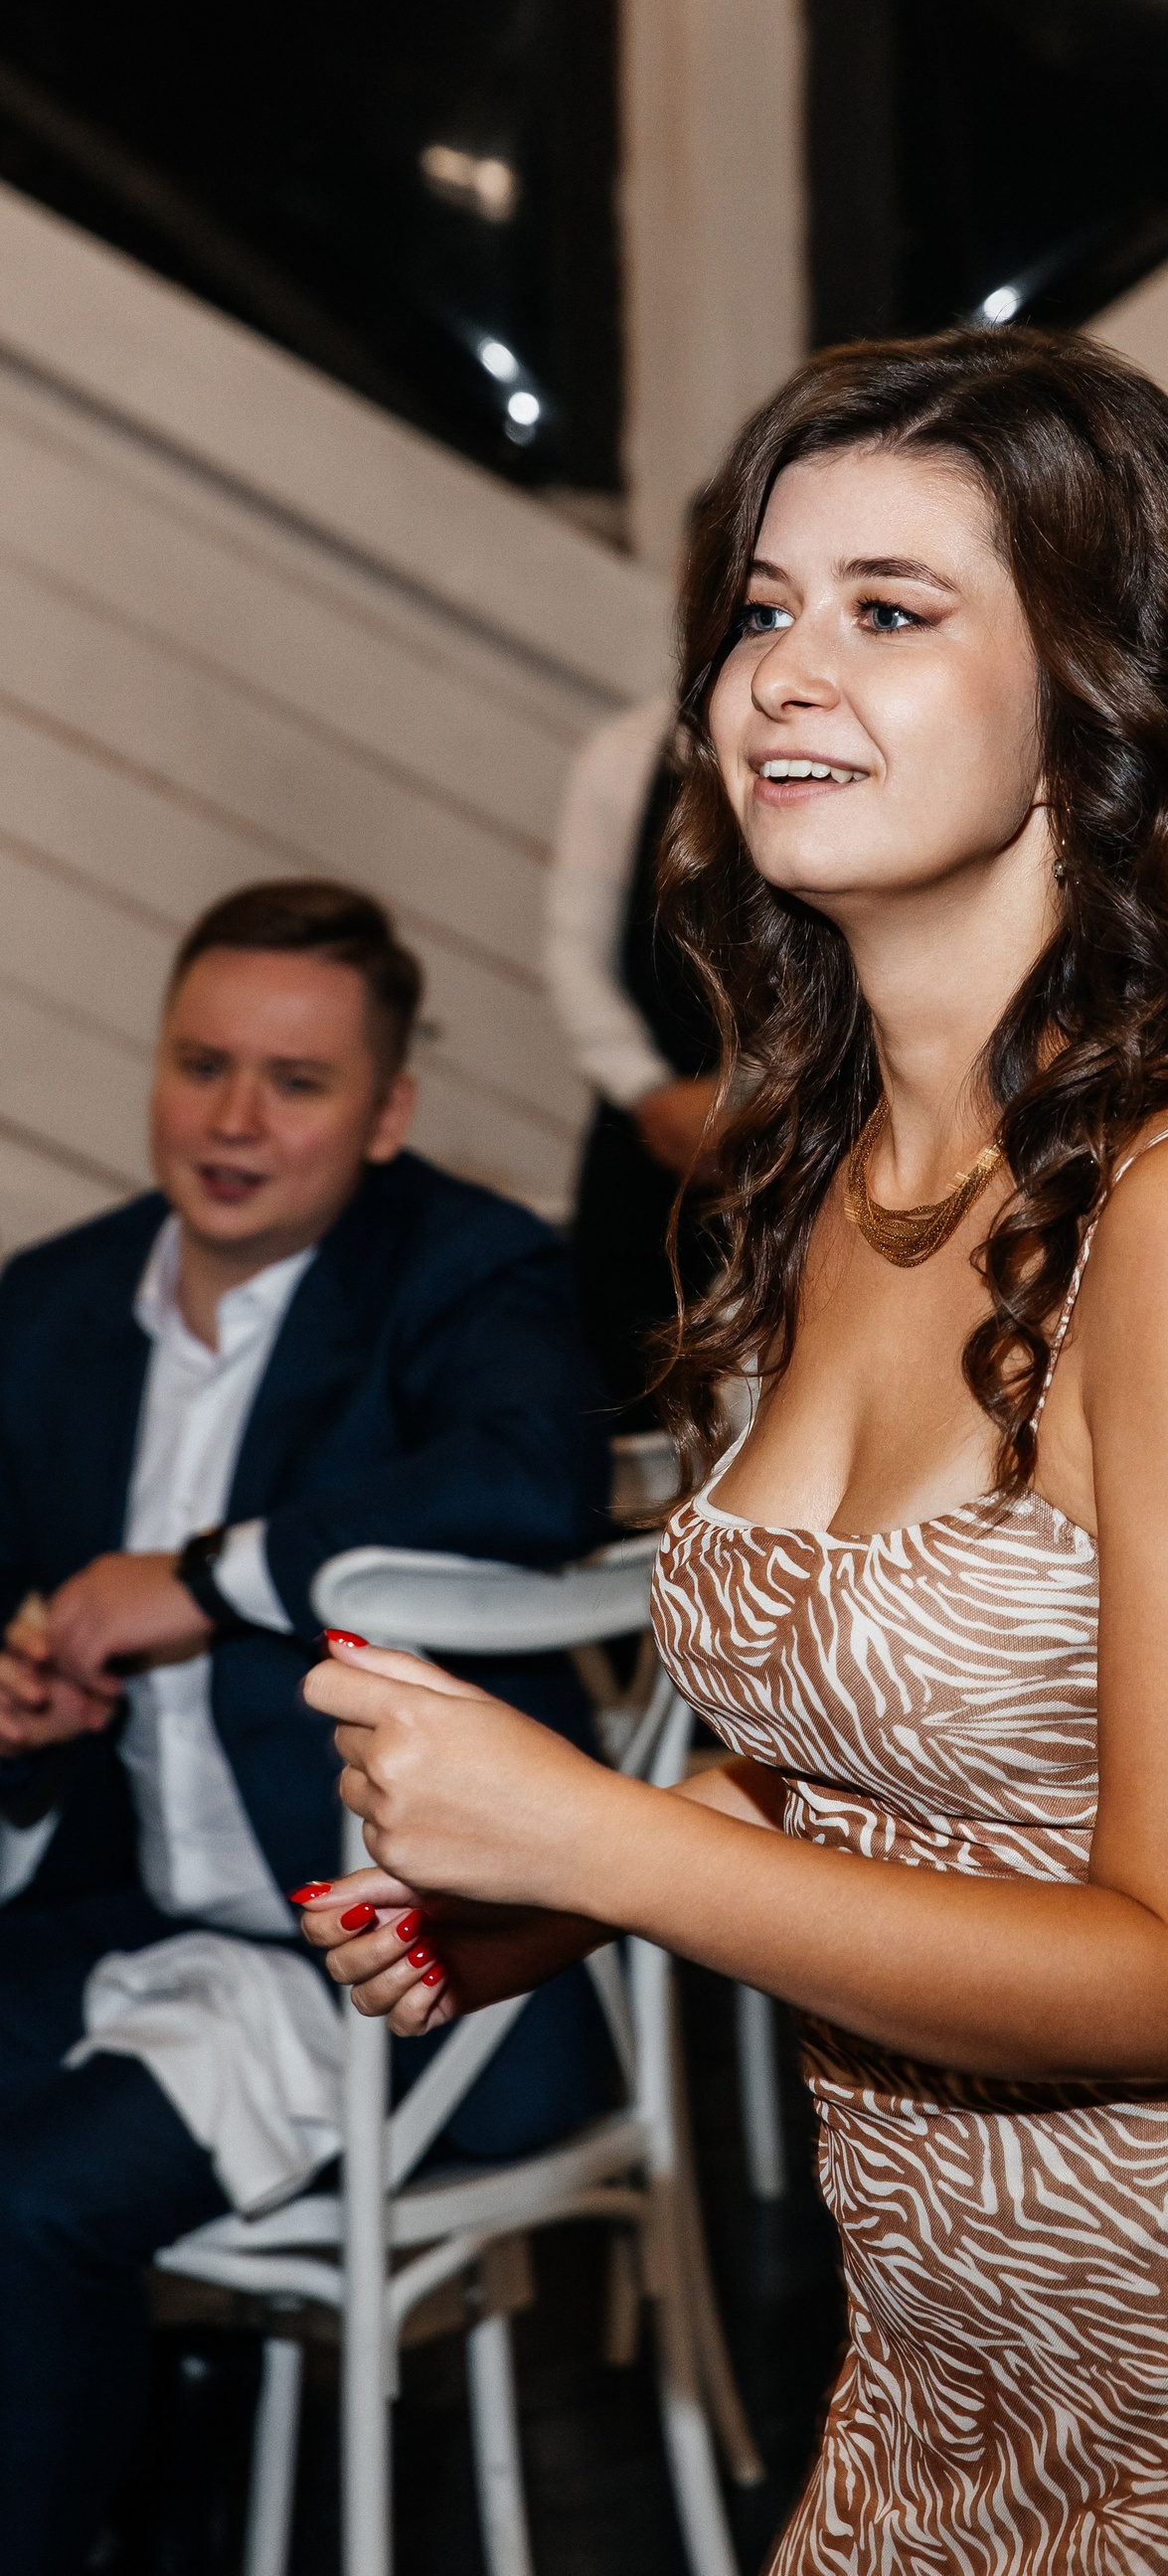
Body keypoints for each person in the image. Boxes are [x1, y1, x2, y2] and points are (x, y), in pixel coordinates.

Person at [298, 329, 1168, 2574]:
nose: (785, 674)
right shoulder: (826, 1178)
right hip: (949, 2370)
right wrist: (530, 1908)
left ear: (1096, 703)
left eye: (892, 610)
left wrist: (604, 1838)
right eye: (764, 607)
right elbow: (888, 1759)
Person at [0, 880, 617, 2576]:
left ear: (389, 1110)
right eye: (202, 1063)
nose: (234, 1118)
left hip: (392, 1961)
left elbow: (536, 1478)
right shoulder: (48, 1309)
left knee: (29, 2206)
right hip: (123, 1914)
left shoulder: (467, 1268)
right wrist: (19, 1705)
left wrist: (210, 1578)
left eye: (296, 1080)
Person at [546, 695, 724, 1420]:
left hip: (784, 1137)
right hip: (637, 1136)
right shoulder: (623, 755)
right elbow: (574, 950)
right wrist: (649, 1091)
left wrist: (749, 1096)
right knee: (614, 1384)